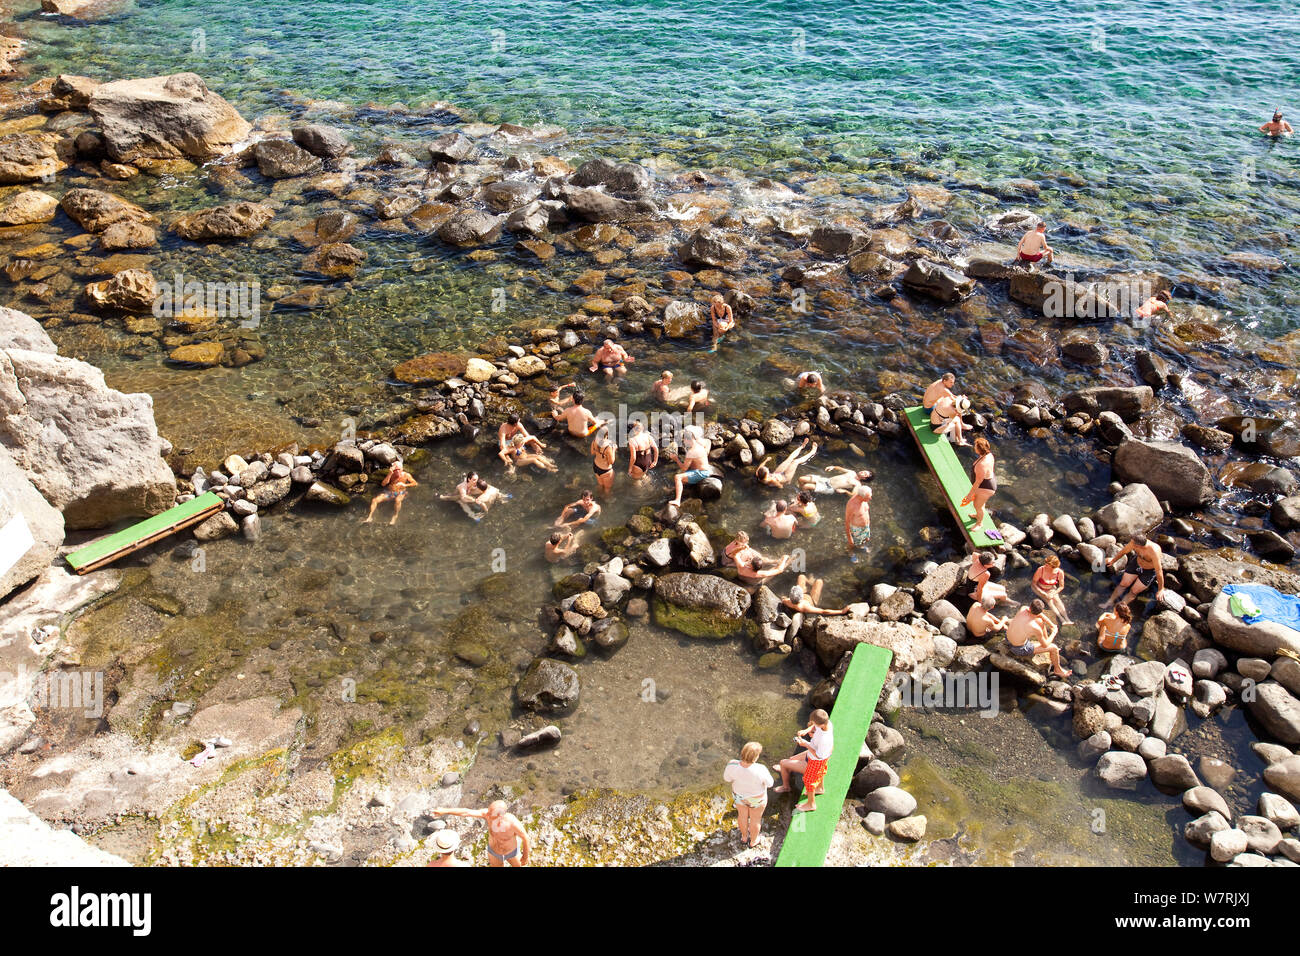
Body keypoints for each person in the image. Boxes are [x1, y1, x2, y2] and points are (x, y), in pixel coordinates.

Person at [429, 801, 531, 867]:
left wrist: (525, 856)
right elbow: (466, 812)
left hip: (511, 852)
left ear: (501, 815)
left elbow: (525, 838)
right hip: (494, 851)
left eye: (492, 813)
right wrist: (445, 811)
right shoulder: (487, 815)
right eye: (489, 811)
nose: (488, 814)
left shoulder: (512, 823)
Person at [773, 709, 833, 812]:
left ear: (820, 724)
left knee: (809, 781)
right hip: (817, 755)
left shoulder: (824, 740)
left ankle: (810, 804)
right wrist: (806, 730)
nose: (812, 725)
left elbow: (818, 755)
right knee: (791, 760)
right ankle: (820, 788)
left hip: (816, 760)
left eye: (814, 723)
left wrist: (805, 744)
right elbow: (815, 726)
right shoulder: (827, 723)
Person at [723, 742, 774, 848]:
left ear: (742, 752)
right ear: (756, 757)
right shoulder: (761, 769)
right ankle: (753, 841)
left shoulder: (732, 764)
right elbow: (770, 784)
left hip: (739, 797)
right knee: (755, 819)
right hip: (756, 799)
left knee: (742, 816)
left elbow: (727, 779)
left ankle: (744, 837)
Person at [1006, 599, 1070, 679]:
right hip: (1018, 649)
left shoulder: (1023, 608)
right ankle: (1058, 670)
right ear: (1041, 610)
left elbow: (1040, 616)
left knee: (1040, 621)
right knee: (1054, 648)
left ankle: (1047, 640)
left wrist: (1051, 624)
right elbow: (1044, 645)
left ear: (1030, 607)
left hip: (1008, 639)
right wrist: (1054, 632)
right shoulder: (1035, 628)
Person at [1103, 533, 1166, 608]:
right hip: (1136, 564)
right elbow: (1124, 551)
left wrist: (1160, 589)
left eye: (1133, 543)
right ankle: (1109, 602)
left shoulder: (1154, 551)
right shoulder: (1134, 542)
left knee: (1134, 591)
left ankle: (1119, 608)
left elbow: (1159, 571)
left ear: (1138, 546)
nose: (1131, 544)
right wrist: (1113, 560)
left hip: (1149, 571)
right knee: (1123, 584)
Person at [961, 437, 998, 533]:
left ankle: (979, 523)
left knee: (977, 505)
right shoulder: (989, 454)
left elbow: (978, 482)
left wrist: (969, 495)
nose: (974, 447)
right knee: (980, 503)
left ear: (979, 449)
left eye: (975, 446)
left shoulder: (982, 465)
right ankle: (978, 515)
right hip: (989, 481)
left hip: (986, 487)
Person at [363, 461, 417, 525]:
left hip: (401, 492)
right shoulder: (391, 474)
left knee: (398, 500)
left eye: (398, 470)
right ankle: (370, 517)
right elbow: (383, 484)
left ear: (402, 469)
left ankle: (395, 515)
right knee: (375, 500)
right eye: (395, 470)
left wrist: (405, 485)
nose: (397, 471)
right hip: (390, 493)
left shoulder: (406, 475)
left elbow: (415, 483)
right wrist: (390, 474)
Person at [668, 431, 714, 507]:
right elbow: (708, 441)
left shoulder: (691, 452)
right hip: (704, 469)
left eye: (684, 441)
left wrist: (676, 459)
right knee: (688, 468)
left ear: (688, 440)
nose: (684, 443)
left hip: (701, 473)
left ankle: (677, 500)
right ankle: (674, 489)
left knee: (678, 477)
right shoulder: (700, 443)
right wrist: (706, 452)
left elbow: (684, 468)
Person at [1032, 553, 1074, 625]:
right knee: (1050, 600)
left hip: (1051, 588)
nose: (1045, 565)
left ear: (1053, 567)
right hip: (1038, 588)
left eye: (1047, 565)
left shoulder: (1059, 572)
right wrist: (1043, 593)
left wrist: (1053, 593)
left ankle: (1067, 618)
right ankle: (1061, 619)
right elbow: (1034, 583)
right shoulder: (1040, 569)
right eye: (1046, 563)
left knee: (1057, 600)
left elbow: (1061, 586)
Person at [782, 575, 849, 616]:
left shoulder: (786, 601)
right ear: (801, 595)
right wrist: (841, 611)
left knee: (801, 576)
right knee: (819, 581)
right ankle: (812, 583)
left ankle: (809, 582)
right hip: (812, 599)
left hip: (803, 596)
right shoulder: (805, 607)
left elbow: (783, 600)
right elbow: (824, 611)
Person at [798, 465, 872, 496]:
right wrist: (833, 467)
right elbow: (840, 468)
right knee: (801, 478)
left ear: (864, 478)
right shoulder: (852, 472)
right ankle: (804, 493)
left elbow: (853, 495)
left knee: (806, 486)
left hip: (829, 488)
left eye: (865, 474)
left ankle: (803, 497)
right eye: (864, 471)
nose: (863, 472)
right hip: (826, 480)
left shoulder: (858, 484)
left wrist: (845, 491)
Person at [844, 483, 871, 560]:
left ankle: (861, 546)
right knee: (852, 544)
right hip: (857, 529)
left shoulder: (864, 499)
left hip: (866, 527)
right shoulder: (852, 505)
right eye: (868, 497)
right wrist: (849, 538)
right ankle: (850, 552)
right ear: (861, 496)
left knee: (864, 540)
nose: (870, 499)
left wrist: (868, 527)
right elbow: (846, 522)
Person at [590, 426, 616, 496]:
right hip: (605, 470)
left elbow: (592, 452)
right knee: (607, 488)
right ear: (607, 435)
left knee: (600, 485)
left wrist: (600, 453)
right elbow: (611, 462)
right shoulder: (608, 446)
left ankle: (598, 496)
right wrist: (614, 449)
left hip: (595, 466)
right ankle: (607, 502)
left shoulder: (594, 441)